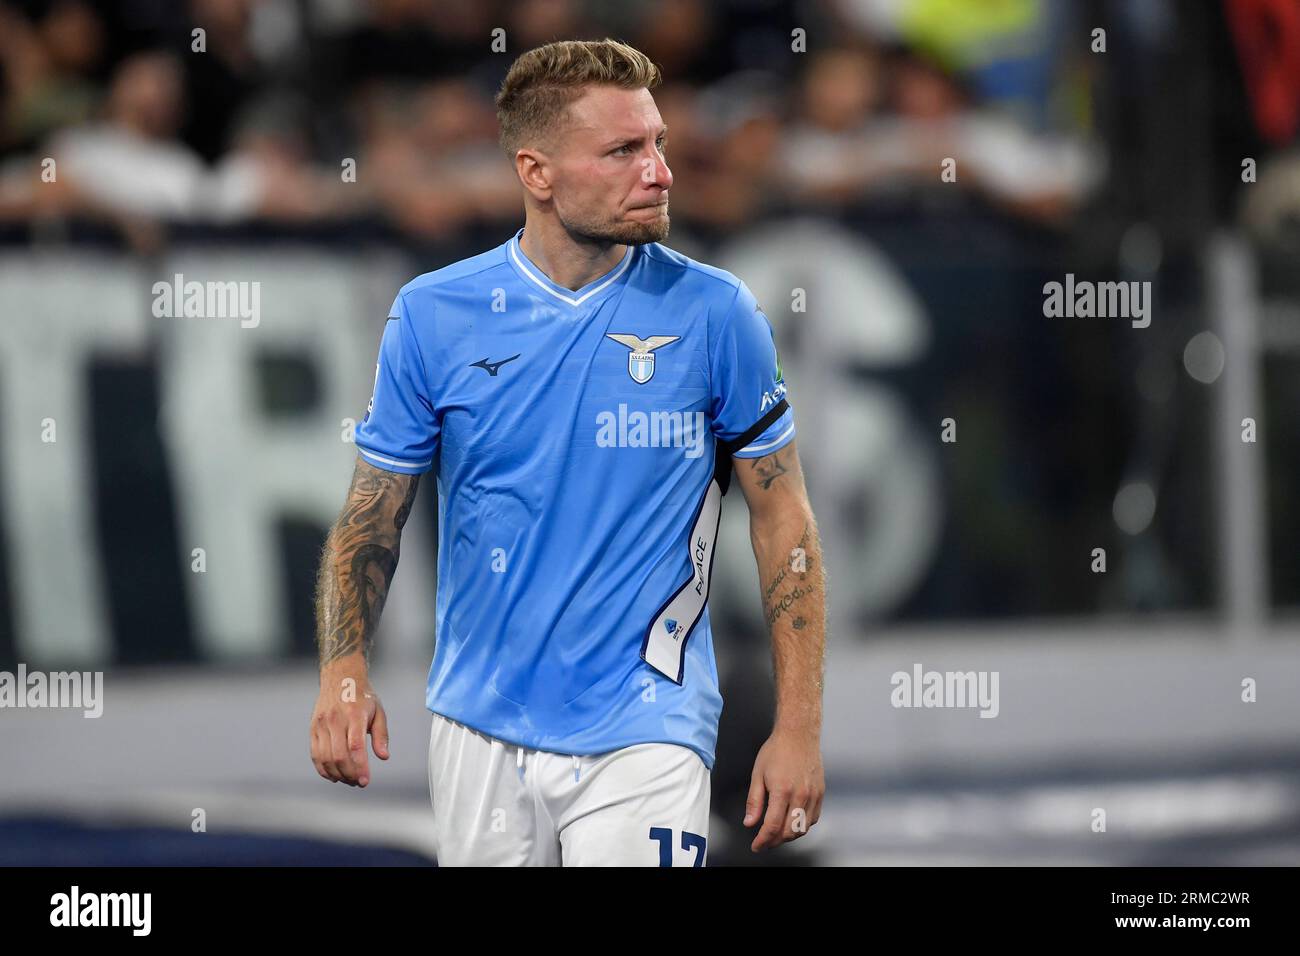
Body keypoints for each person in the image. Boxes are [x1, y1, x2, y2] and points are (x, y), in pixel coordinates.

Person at [309, 38, 826, 866]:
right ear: (537, 172)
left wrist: (796, 728)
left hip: (650, 722)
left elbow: (783, 517)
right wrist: (344, 671)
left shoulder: (718, 313)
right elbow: (372, 515)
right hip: (479, 721)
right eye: (623, 150)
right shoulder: (432, 315)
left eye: (657, 143)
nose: (658, 171)